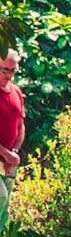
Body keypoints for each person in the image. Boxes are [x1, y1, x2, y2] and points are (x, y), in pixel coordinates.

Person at [0, 46, 23, 222]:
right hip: (3, 156)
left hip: (8, 162)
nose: (8, 74)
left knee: (4, 211)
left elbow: (20, 127)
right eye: (4, 70)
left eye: (12, 70)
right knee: (1, 197)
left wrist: (13, 153)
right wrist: (6, 154)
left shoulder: (16, 91)